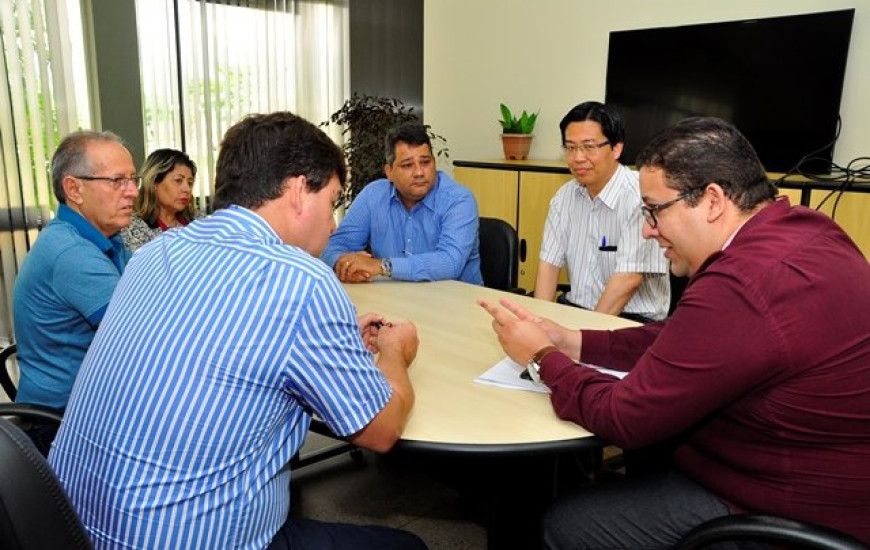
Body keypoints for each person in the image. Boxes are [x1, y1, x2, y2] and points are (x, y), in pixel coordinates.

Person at [479, 117, 870, 547]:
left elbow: (623, 418)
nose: (647, 230)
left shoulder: (740, 282)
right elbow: (685, 339)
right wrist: (573, 341)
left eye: (654, 210)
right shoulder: (807, 229)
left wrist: (541, 358)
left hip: (790, 507)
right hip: (832, 479)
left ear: (713, 201)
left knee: (568, 522)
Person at [49, 112, 427, 550]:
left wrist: (327, 338)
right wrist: (396, 352)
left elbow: (213, 339)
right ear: (300, 190)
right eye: (333, 201)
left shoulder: (157, 253)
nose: (333, 224)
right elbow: (380, 432)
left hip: (68, 525)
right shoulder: (301, 281)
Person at [12, 130, 137, 455]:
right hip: (62, 423)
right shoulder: (70, 252)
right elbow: (145, 333)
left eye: (133, 179)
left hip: (90, 407)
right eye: (118, 181)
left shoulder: (111, 236)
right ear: (74, 189)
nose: (133, 192)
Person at [535, 101, 669, 322]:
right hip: (576, 310)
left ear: (616, 148)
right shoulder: (564, 197)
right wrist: (539, 323)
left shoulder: (640, 197)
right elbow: (548, 266)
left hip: (633, 320)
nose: (578, 158)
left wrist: (583, 337)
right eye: (570, 147)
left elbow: (629, 280)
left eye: (589, 147)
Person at [321, 122, 483, 285]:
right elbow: (334, 247)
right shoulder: (373, 195)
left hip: (456, 303)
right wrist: (344, 265)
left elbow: (449, 263)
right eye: (407, 165)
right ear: (389, 172)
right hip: (394, 300)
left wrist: (382, 266)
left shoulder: (459, 200)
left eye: (425, 162)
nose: (419, 172)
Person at [122, 148, 198, 252]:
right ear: (154, 182)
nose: (187, 189)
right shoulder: (131, 227)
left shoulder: (198, 222)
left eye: (190, 183)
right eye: (178, 181)